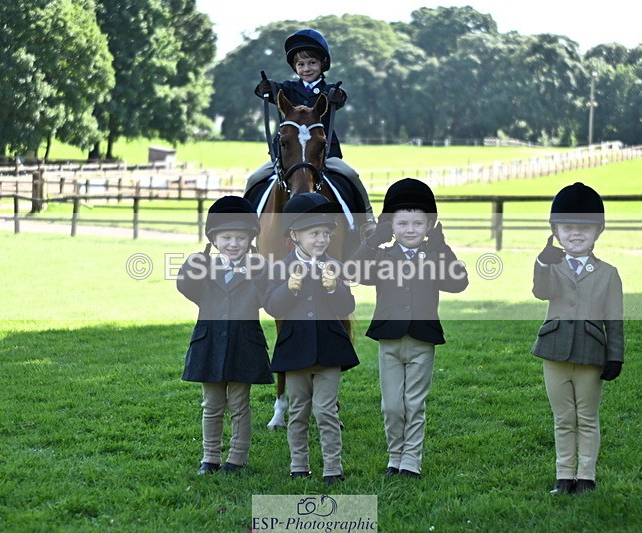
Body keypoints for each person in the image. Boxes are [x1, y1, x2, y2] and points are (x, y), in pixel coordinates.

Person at [349, 178, 469, 478]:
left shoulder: (434, 256)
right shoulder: (381, 256)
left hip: (422, 341)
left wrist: (443, 249)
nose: (411, 230)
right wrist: (372, 240)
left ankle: (410, 461)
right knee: (392, 406)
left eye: (418, 223)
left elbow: (458, 282)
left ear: (429, 225)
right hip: (389, 341)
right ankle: (395, 456)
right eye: (402, 223)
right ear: (391, 226)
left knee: (413, 404)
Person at [531, 182, 624, 495]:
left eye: (584, 227)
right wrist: (543, 262)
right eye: (568, 227)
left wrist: (616, 355)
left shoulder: (609, 273)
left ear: (598, 231)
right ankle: (563, 477)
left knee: (586, 417)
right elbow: (541, 291)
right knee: (563, 418)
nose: (575, 234)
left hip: (590, 355)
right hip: (554, 352)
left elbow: (615, 319)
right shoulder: (551, 266)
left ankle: (586, 477)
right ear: (555, 230)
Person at [263, 192, 360, 486]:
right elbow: (271, 306)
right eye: (313, 233)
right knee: (298, 412)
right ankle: (298, 465)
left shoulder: (335, 265)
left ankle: (333, 468)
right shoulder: (280, 267)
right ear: (294, 234)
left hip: (329, 351)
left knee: (326, 411)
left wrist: (335, 289)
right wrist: (288, 289)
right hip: (295, 352)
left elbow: (347, 307)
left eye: (325, 233)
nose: (321, 239)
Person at [177, 195, 273, 475]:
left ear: (250, 240)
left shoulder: (260, 267)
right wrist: (192, 265)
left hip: (245, 343)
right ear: (214, 240)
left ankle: (237, 459)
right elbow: (186, 288)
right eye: (227, 238)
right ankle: (210, 458)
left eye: (240, 238)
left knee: (240, 404)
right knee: (212, 404)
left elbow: (268, 299)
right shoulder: (203, 267)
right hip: (209, 344)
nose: (233, 244)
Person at [247, 28, 375, 235]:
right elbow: (269, 92)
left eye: (312, 63)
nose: (307, 68)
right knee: (254, 179)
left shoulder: (329, 90)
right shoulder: (287, 89)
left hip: (323, 154)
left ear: (323, 64)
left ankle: (368, 221)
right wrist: (263, 88)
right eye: (301, 64)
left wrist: (337, 96)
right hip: (287, 155)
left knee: (351, 175)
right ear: (295, 67)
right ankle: (245, 226)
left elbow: (339, 97)